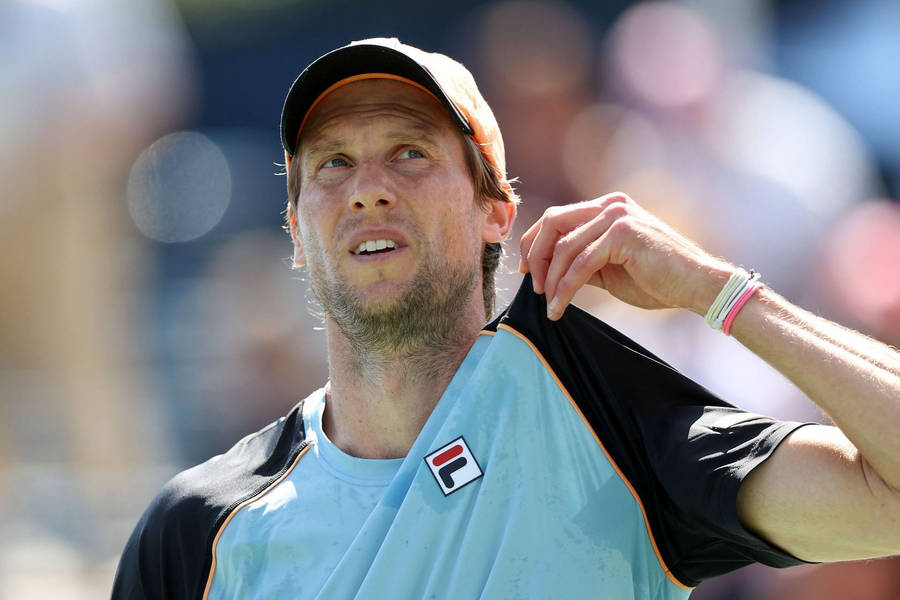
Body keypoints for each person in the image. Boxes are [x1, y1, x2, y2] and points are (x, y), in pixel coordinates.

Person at [111, 38, 900, 599]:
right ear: (295, 229)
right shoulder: (196, 533)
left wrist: (718, 292)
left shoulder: (610, 430)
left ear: (498, 212)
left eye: (411, 152)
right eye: (333, 163)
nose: (368, 188)